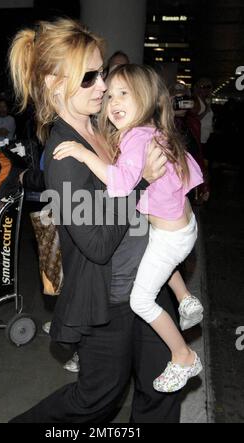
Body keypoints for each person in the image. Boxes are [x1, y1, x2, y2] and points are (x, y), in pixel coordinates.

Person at [9, 18, 181, 423]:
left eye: (101, 72)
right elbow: (98, 246)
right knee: (96, 400)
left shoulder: (103, 127)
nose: (102, 84)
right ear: (54, 83)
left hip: (147, 282)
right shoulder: (63, 157)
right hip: (109, 301)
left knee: (163, 385)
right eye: (89, 77)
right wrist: (142, 182)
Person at [54, 64, 204, 393]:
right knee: (153, 257)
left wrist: (82, 154)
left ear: (147, 99)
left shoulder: (136, 139)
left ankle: (184, 355)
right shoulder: (152, 131)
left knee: (142, 301)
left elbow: (122, 185)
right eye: (110, 97)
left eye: (124, 94)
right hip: (181, 228)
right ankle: (186, 298)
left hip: (170, 237)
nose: (113, 102)